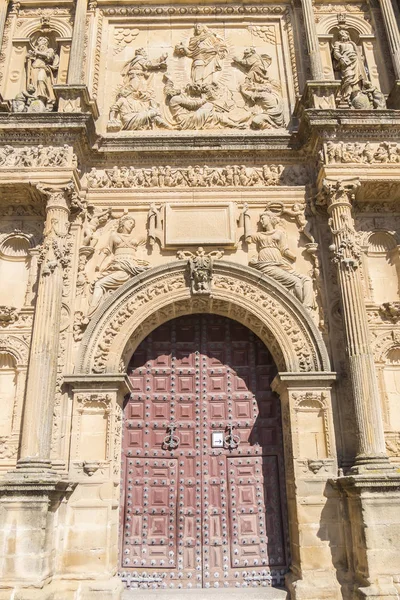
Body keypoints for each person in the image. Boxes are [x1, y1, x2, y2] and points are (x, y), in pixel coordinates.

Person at [245, 209, 314, 309]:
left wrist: (294, 256)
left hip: (280, 264)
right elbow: (248, 238)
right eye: (260, 219)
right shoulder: (260, 235)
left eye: (263, 218)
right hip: (267, 265)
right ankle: (301, 308)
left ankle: (307, 307)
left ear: (270, 219)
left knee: (307, 279)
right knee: (296, 282)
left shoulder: (279, 233)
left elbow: (284, 249)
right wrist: (246, 215)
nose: (261, 221)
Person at [89, 215, 149, 314]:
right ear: (123, 222)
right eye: (130, 223)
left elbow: (147, 242)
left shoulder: (137, 237)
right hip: (117, 266)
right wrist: (98, 264)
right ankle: (93, 312)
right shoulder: (113, 235)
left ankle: (91, 314)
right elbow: (107, 250)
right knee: (98, 284)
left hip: (131, 266)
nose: (132, 226)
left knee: (99, 284)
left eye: (133, 224)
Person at [165, 82, 244, 130]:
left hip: (189, 118)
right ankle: (235, 124)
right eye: (174, 89)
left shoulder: (176, 98)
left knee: (214, 114)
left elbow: (192, 104)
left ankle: (234, 124)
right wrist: (205, 98)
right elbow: (192, 105)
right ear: (172, 92)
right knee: (209, 108)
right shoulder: (175, 99)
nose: (178, 90)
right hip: (186, 120)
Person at [332, 29, 366, 103]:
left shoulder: (352, 43)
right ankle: (347, 96)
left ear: (347, 35)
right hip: (346, 62)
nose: (342, 36)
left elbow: (357, 52)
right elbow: (335, 52)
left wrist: (361, 58)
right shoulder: (337, 43)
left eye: (343, 34)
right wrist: (341, 58)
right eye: (340, 35)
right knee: (348, 76)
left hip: (355, 61)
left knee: (357, 78)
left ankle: (356, 93)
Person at [27, 36, 59, 107]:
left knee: (41, 80)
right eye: (40, 40)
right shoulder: (35, 50)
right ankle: (35, 98)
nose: (42, 42)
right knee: (34, 84)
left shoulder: (49, 50)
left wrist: (38, 53)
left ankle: (43, 97)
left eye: (44, 40)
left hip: (43, 68)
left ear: (47, 43)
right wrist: (30, 56)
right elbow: (30, 58)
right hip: (34, 68)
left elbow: (50, 57)